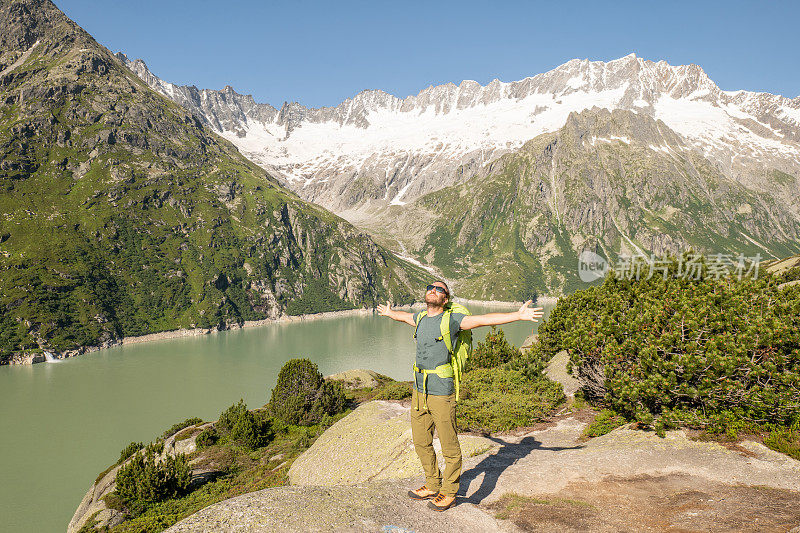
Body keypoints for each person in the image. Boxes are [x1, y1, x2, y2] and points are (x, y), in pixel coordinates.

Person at [377, 280, 544, 511]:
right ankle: (432, 484)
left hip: (441, 390)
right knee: (421, 441)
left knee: (449, 445)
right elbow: (403, 317)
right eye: (430, 287)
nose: (433, 290)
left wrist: (517, 315)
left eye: (440, 290)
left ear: (445, 300)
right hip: (419, 389)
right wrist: (388, 313)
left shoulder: (452, 320)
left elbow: (484, 320)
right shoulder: (420, 318)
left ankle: (449, 492)